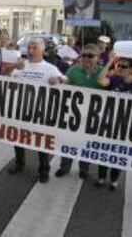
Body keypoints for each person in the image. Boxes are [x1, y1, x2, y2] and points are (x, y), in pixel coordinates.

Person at [7, 38, 65, 183]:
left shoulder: (49, 68)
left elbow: (65, 80)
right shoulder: (21, 65)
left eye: (34, 48)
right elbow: (5, 78)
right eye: (29, 48)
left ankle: (44, 170)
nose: (31, 51)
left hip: (40, 111)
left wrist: (59, 81)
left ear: (42, 51)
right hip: (20, 109)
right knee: (18, 138)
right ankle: (19, 164)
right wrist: (13, 67)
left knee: (41, 142)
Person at [97, 52, 132, 190]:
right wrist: (110, 61)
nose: (120, 67)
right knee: (104, 151)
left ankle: (114, 179)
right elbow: (100, 80)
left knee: (119, 153)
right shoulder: (114, 79)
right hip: (108, 122)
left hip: (126, 125)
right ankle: (101, 177)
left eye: (124, 66)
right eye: (119, 65)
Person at [55, 44, 104, 179]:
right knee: (69, 142)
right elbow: (64, 86)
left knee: (87, 144)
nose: (86, 58)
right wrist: (57, 82)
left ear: (98, 58)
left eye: (90, 56)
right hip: (73, 115)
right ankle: (64, 167)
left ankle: (84, 169)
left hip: (93, 116)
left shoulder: (103, 72)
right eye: (84, 55)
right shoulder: (73, 70)